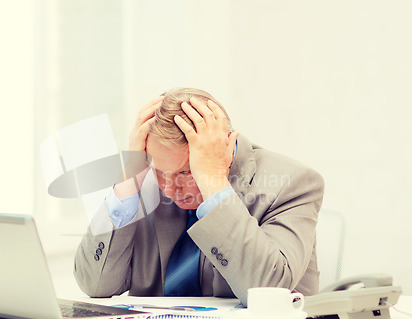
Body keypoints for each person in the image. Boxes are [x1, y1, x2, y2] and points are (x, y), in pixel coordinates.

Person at [74, 88, 324, 303]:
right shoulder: (143, 182)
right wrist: (128, 182)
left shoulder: (294, 183)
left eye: (186, 171)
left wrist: (213, 181)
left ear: (225, 147)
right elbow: (95, 286)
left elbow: (269, 291)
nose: (170, 189)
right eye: (161, 172)